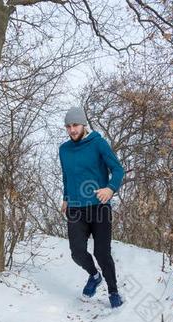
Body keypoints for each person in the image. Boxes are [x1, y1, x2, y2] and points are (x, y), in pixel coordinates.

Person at [59, 106, 125, 308]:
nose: (72, 130)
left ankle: (113, 291)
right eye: (68, 126)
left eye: (75, 125)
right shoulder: (64, 149)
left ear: (84, 125)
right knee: (77, 252)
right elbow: (67, 176)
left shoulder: (98, 143)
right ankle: (95, 276)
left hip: (99, 207)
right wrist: (66, 197)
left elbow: (118, 170)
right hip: (76, 208)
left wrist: (110, 189)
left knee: (102, 253)